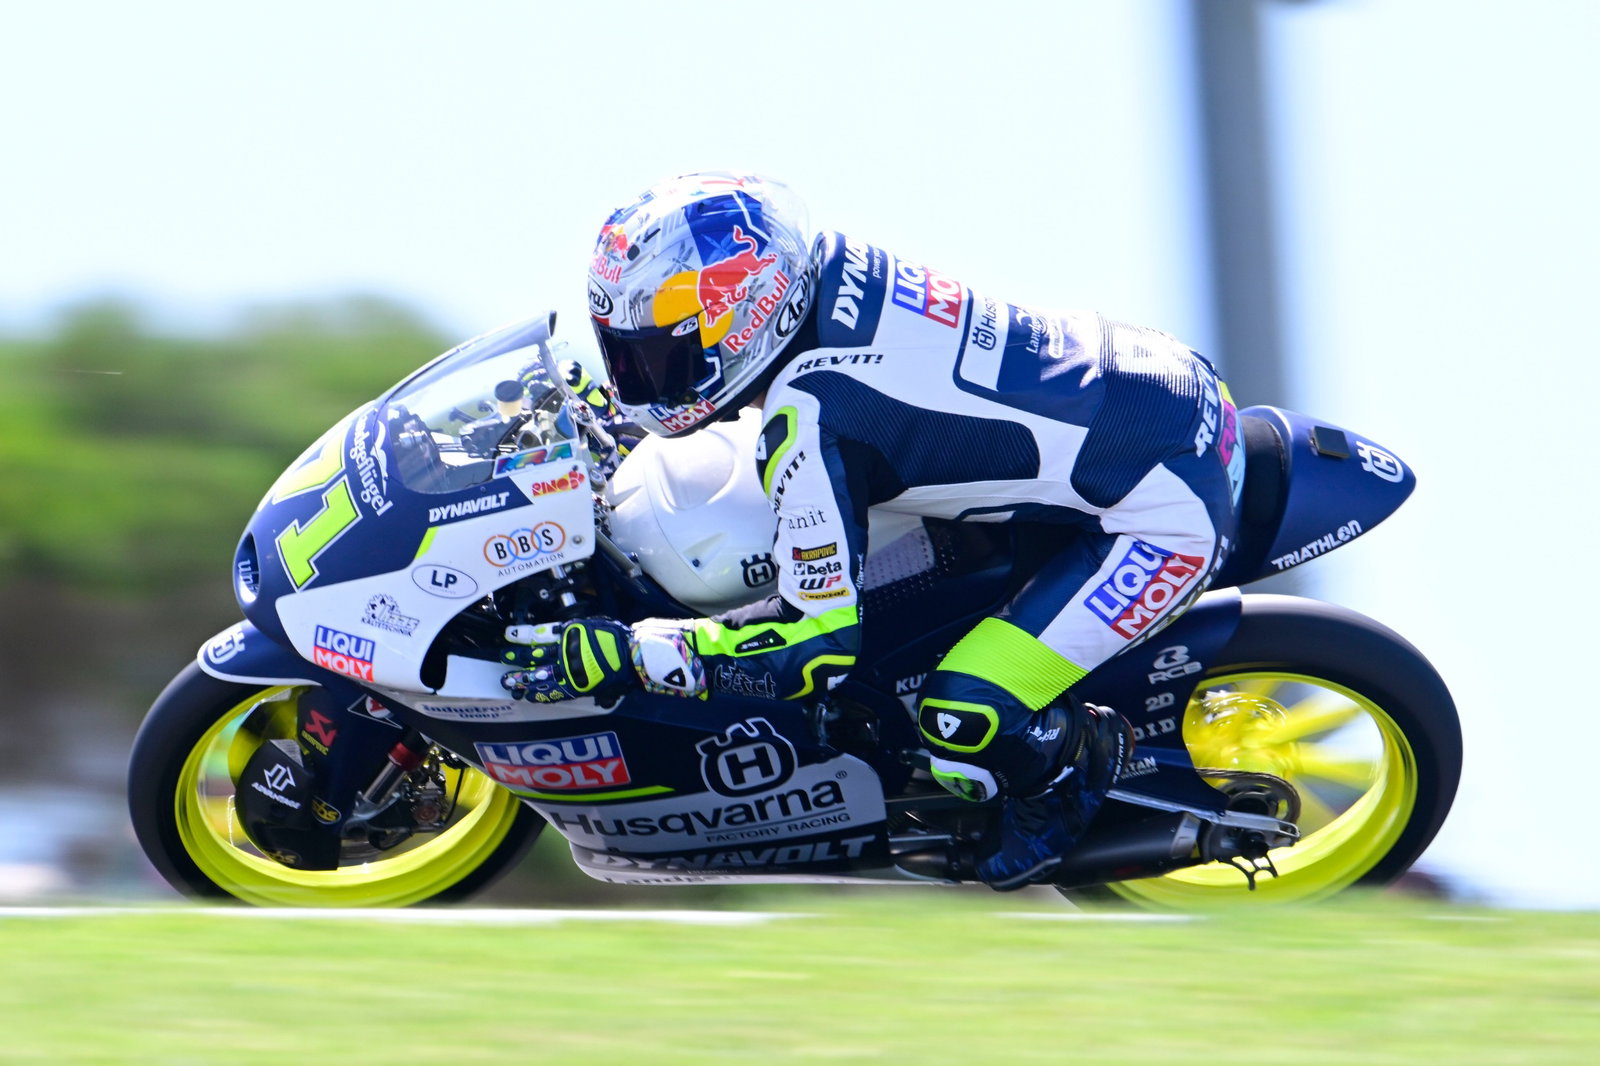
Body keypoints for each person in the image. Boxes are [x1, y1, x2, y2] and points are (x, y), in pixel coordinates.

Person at [502, 171, 1245, 890]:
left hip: (1162, 508)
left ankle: (1070, 768)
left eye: (661, 356)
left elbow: (817, 647)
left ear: (745, 319)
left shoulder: (813, 411)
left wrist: (640, 652)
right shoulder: (827, 266)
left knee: (964, 719)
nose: (641, 379)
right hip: (1149, 376)